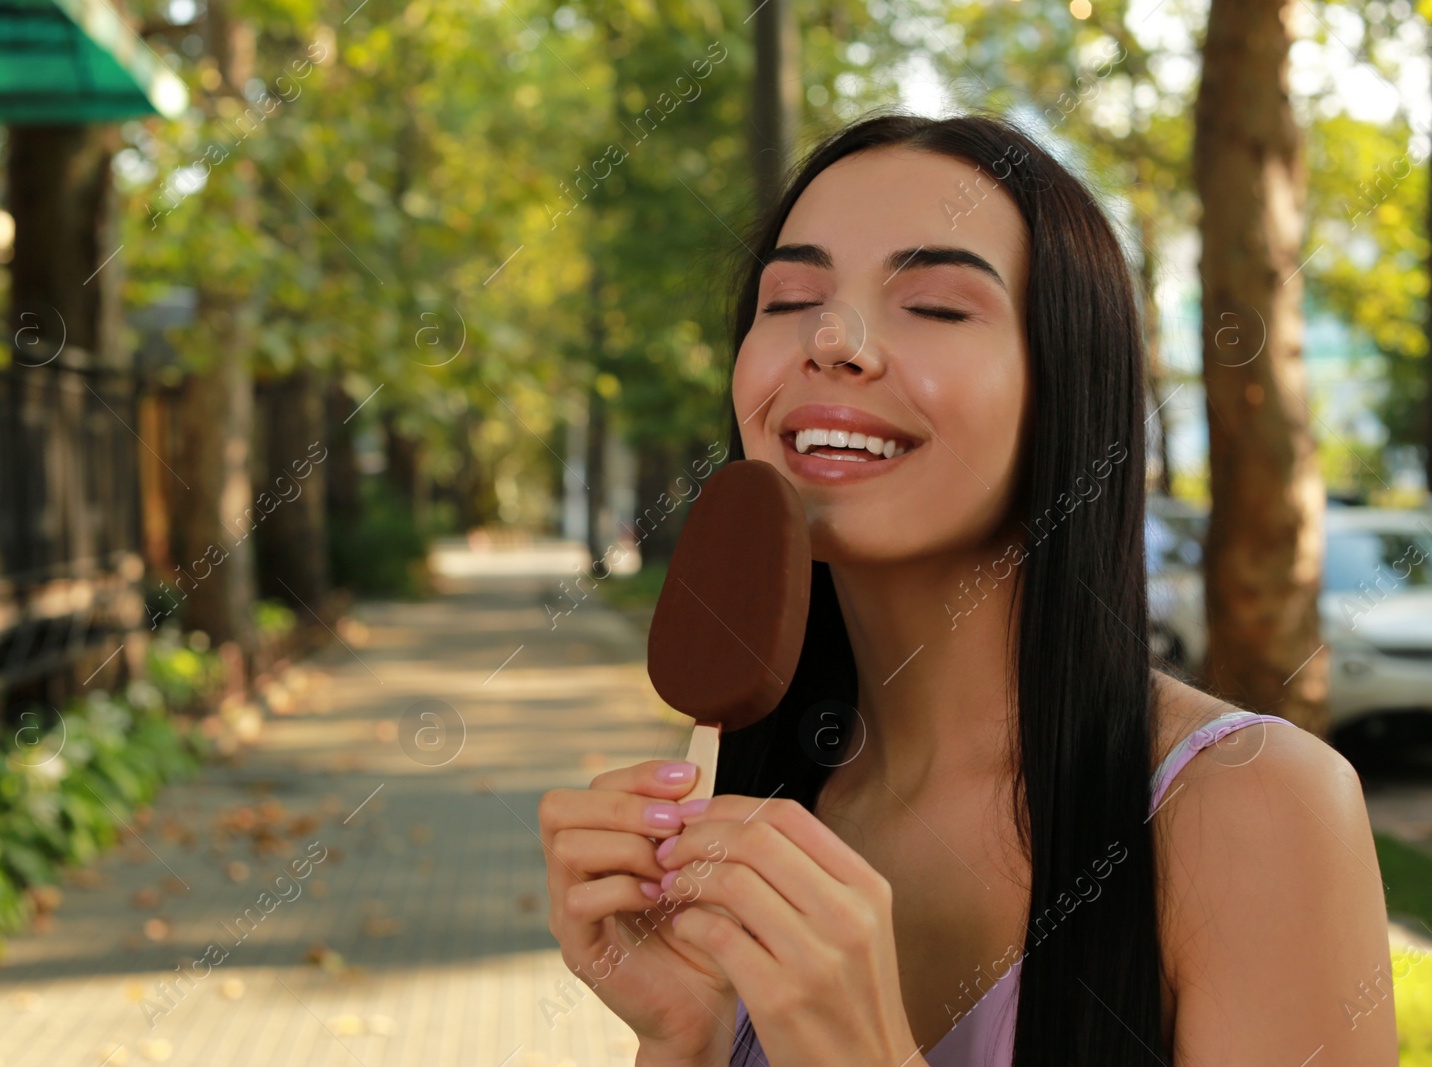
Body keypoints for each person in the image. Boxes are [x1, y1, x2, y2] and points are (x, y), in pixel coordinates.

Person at [538, 112, 1393, 1066]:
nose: (832, 339)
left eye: (937, 306)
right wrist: (685, 1035)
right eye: (788, 300)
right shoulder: (750, 799)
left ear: (1064, 387)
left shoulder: (1254, 807)